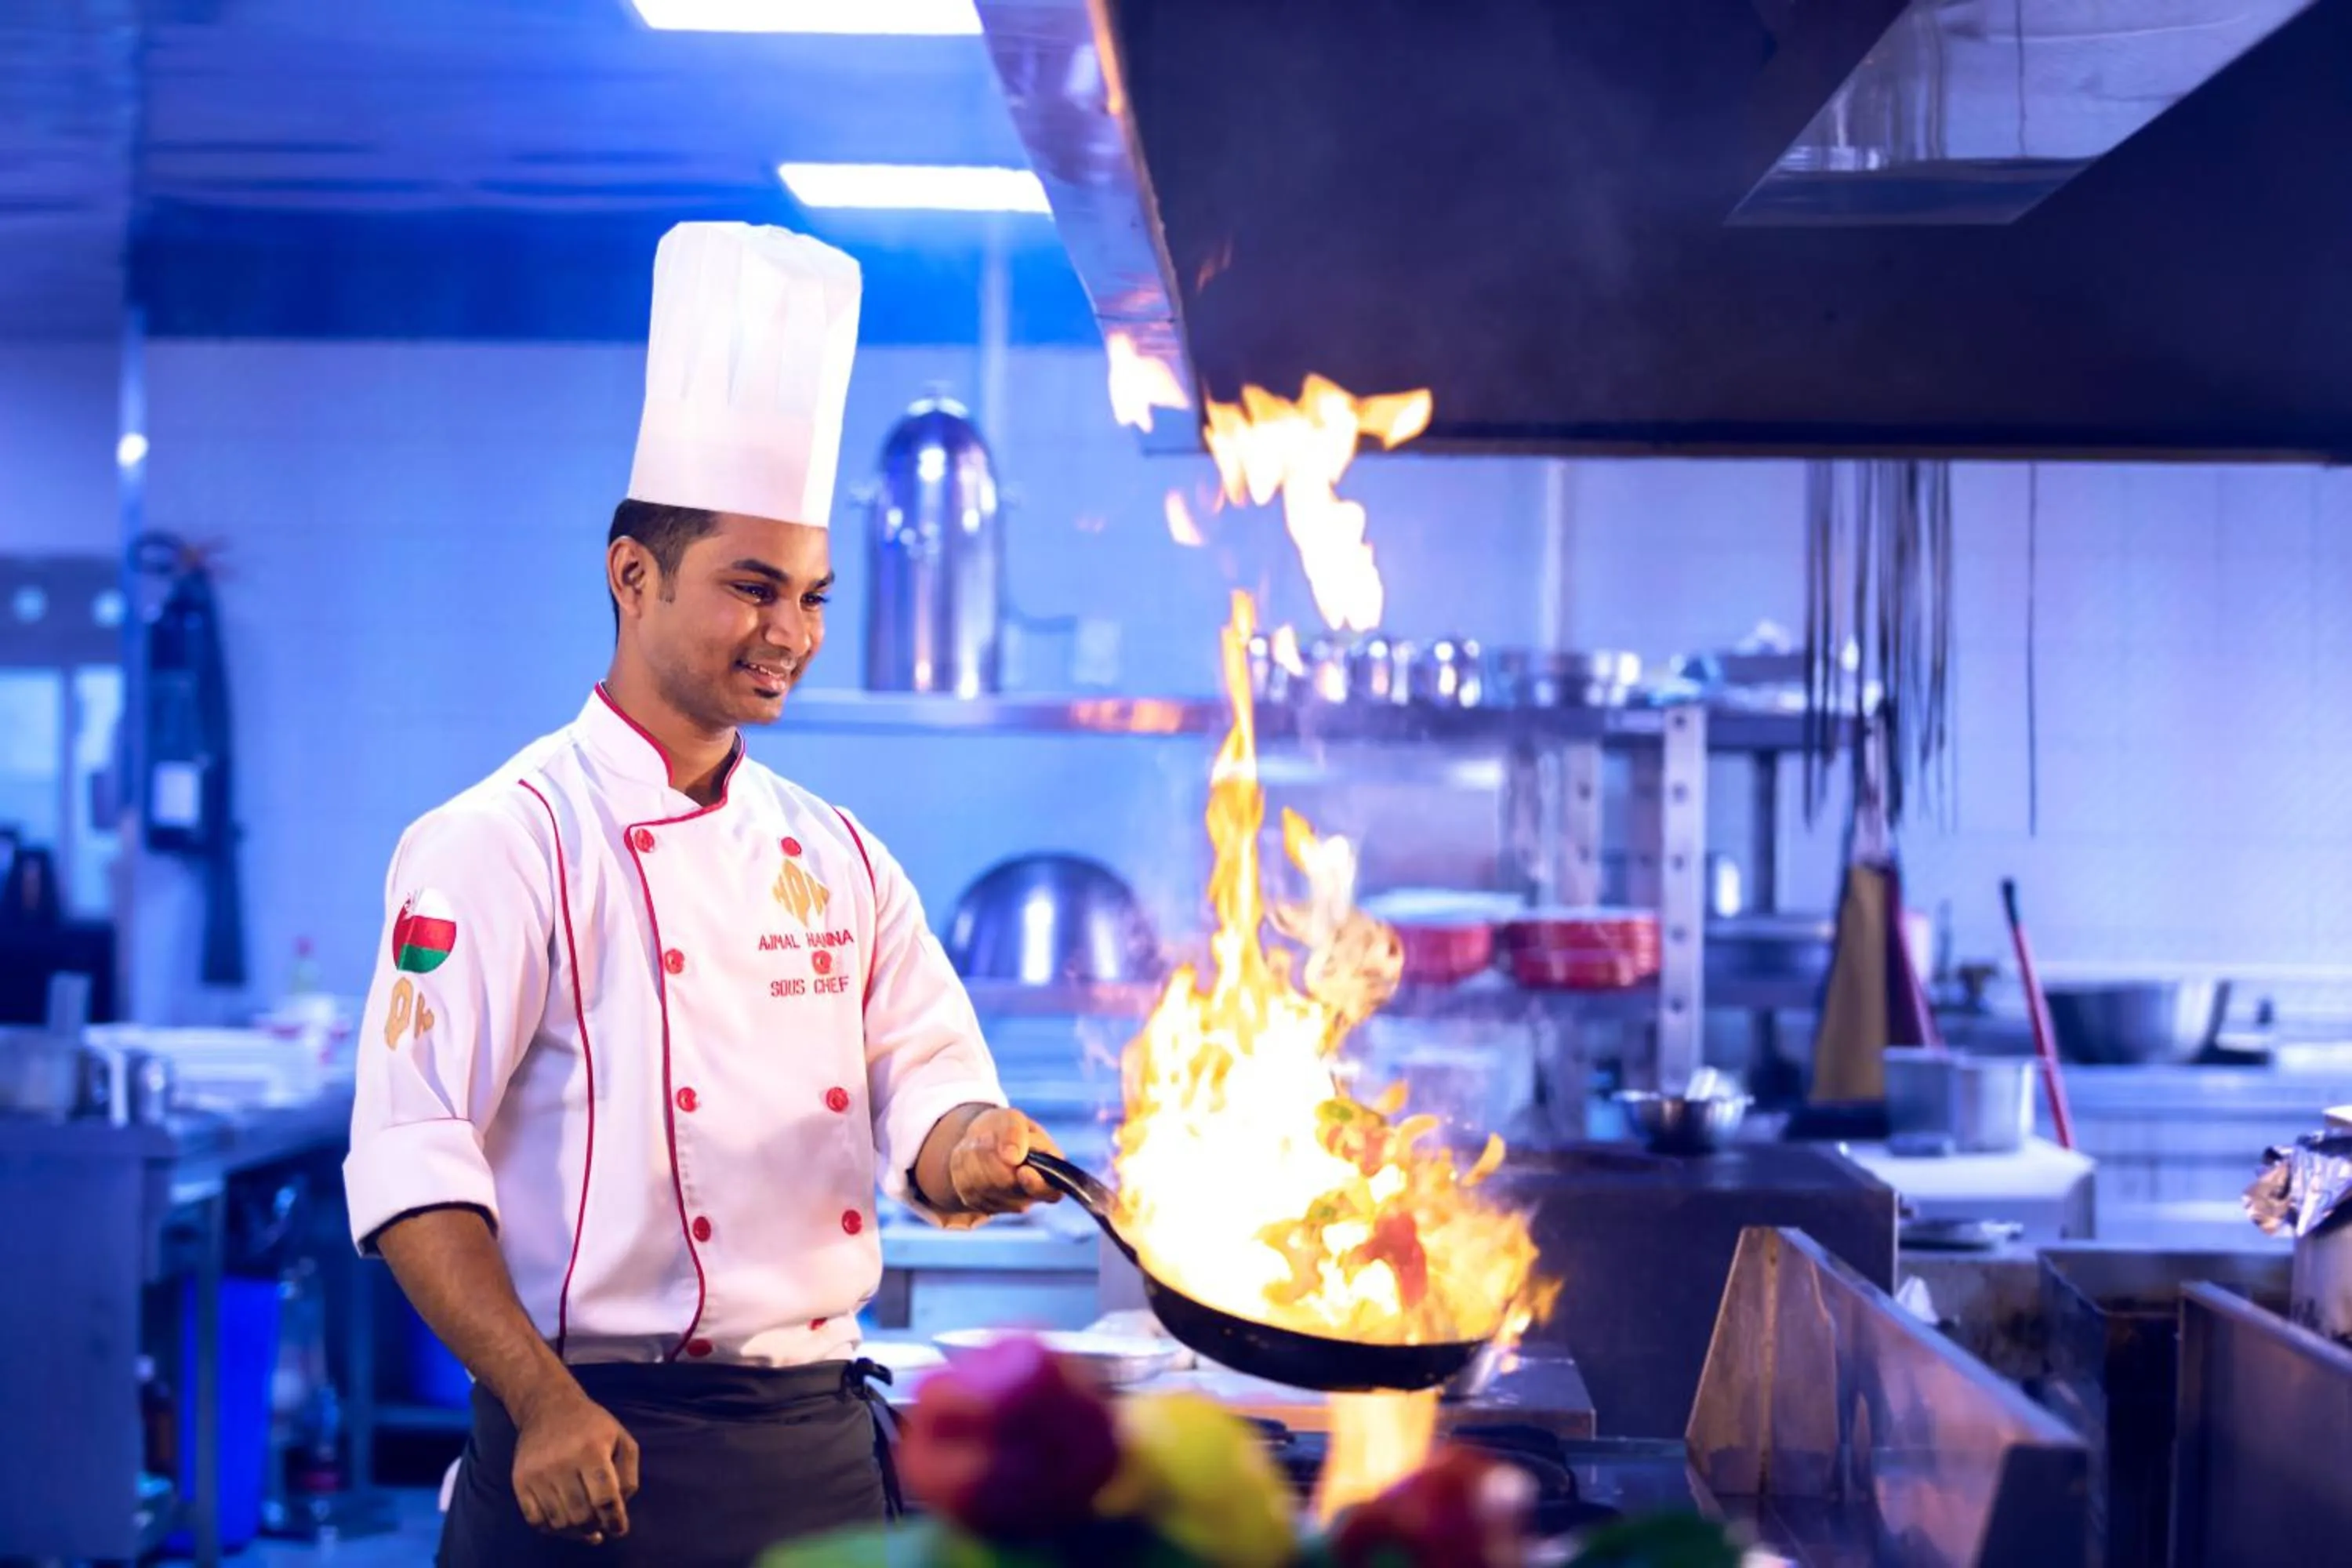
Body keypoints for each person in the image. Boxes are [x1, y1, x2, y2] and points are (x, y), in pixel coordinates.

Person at [343, 221, 1061, 1567]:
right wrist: (540, 1401)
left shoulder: (837, 855)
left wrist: (969, 1144)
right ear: (633, 575)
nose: (790, 633)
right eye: (751, 588)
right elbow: (410, 1157)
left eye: (813, 596)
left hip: (817, 1454)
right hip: (582, 1449)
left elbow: (928, 1082)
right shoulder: (501, 842)